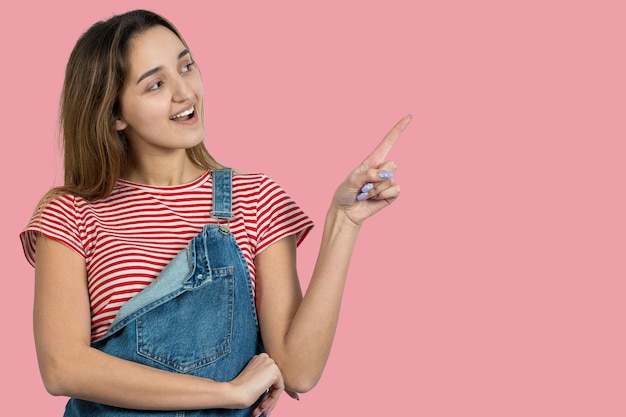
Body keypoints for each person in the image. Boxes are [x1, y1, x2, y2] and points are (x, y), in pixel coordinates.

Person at [20, 9, 412, 417]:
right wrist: (230, 393)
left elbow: (298, 370)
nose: (184, 92)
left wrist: (343, 223)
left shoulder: (255, 197)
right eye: (155, 84)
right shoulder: (69, 213)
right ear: (115, 114)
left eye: (186, 66)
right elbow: (61, 367)